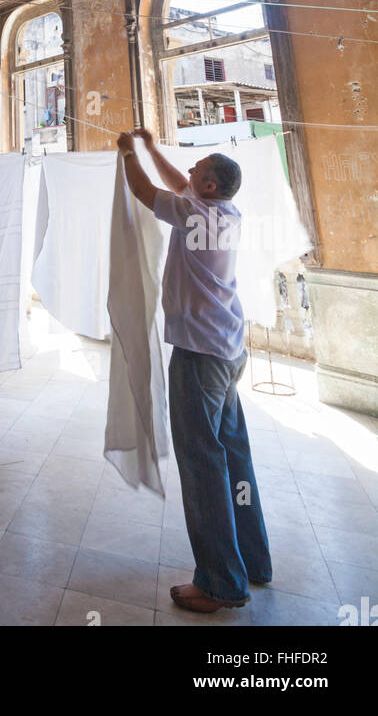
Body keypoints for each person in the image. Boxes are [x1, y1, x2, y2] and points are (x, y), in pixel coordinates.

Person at [116, 125, 272, 614]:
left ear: (207, 187)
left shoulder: (194, 211)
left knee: (202, 462)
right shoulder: (223, 212)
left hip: (200, 355)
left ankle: (221, 583)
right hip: (228, 351)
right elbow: (177, 185)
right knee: (233, 454)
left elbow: (146, 192)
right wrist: (149, 147)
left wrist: (126, 154)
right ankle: (253, 559)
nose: (189, 172)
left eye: (197, 170)